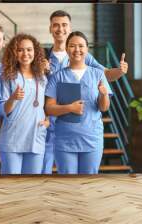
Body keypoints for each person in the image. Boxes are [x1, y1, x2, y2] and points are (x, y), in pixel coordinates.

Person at [42, 10, 128, 174]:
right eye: (56, 25)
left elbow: (107, 74)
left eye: (64, 25)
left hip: (85, 129)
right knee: (45, 172)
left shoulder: (86, 59)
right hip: (50, 125)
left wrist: (120, 71)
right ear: (50, 28)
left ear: (70, 27)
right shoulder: (42, 56)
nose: (60, 29)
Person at [45, 31, 112, 174]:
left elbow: (104, 107)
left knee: (88, 184)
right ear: (67, 49)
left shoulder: (98, 74)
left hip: (92, 139)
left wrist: (104, 95)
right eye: (72, 46)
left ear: (87, 49)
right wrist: (69, 108)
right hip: (65, 141)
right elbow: (49, 108)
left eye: (81, 46)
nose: (77, 50)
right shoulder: (58, 76)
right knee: (68, 186)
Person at [0, 34, 49, 174]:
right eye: (20, 50)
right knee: (11, 187)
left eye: (29, 50)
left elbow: (48, 104)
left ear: (35, 52)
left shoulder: (42, 77)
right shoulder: (8, 76)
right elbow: (3, 110)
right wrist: (13, 98)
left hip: (35, 137)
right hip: (12, 139)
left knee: (32, 187)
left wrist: (48, 120)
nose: (25, 53)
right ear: (14, 53)